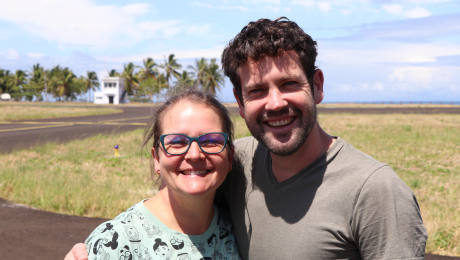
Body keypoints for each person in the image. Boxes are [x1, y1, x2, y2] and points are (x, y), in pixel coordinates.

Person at [66, 17, 427, 260]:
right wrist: (103, 246)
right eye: (257, 91)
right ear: (240, 103)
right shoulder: (235, 159)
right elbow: (178, 192)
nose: (275, 103)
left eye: (289, 84)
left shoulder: (375, 190)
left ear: (316, 86)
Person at [71, 88, 241, 260]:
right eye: (177, 142)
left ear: (229, 157)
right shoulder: (116, 243)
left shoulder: (239, 234)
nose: (195, 154)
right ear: (156, 159)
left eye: (211, 140)